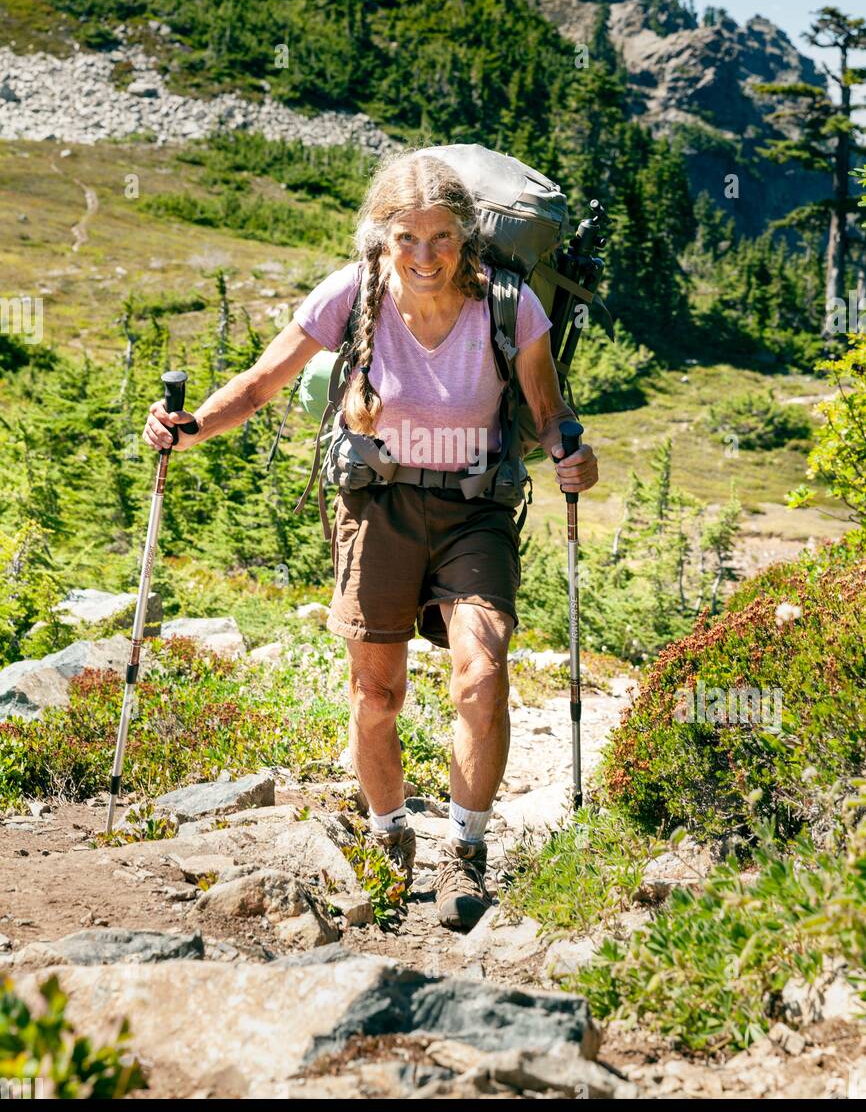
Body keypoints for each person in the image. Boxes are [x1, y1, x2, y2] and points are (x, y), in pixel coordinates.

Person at [143, 150, 599, 931]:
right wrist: (187, 431)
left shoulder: (511, 305)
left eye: (443, 237)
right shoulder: (351, 296)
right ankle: (390, 839)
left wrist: (570, 452)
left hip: (474, 509)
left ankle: (468, 850)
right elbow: (259, 384)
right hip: (376, 506)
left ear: (468, 238)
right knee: (375, 694)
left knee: (482, 675)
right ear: (380, 241)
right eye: (407, 240)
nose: (426, 257)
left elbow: (547, 410)